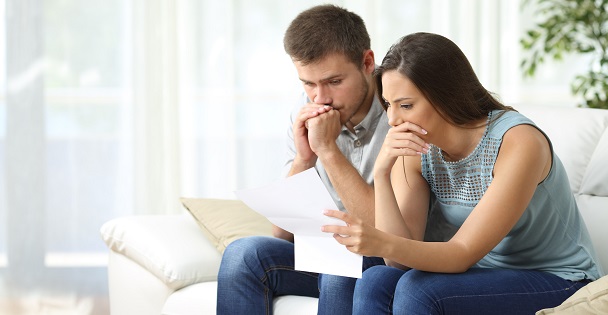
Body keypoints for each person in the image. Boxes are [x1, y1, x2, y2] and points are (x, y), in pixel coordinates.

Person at [321, 32, 604, 314]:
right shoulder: (417, 147)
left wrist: (379, 240)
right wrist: (382, 173)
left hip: (559, 279)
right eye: (388, 105)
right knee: (373, 277)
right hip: (484, 274)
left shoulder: (518, 141)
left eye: (406, 105)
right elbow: (398, 261)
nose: (393, 120)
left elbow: (461, 252)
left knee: (418, 290)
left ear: (446, 95)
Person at [216, 5, 389, 314]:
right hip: (325, 255)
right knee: (242, 254)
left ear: (367, 62)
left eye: (334, 81)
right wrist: (304, 159)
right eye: (308, 83)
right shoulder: (304, 109)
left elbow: (387, 232)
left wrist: (328, 151)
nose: (320, 98)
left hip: (382, 253)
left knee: (342, 269)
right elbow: (281, 234)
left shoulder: (401, 107)